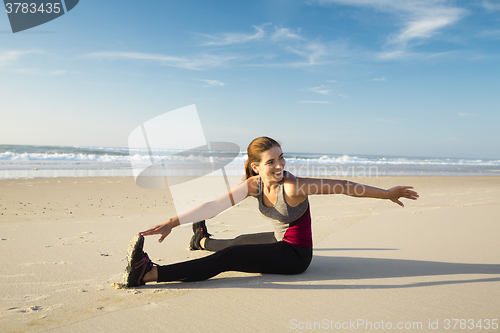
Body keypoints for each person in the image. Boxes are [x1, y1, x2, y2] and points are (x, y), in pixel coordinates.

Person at [122, 137, 419, 287]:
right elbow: (214, 205)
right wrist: (172, 222)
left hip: (296, 256)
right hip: (279, 242)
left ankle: (149, 274)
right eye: (271, 162)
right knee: (238, 241)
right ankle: (200, 239)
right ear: (255, 167)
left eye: (281, 158)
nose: (280, 166)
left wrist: (387, 194)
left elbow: (342, 185)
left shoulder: (293, 187)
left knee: (230, 258)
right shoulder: (253, 184)